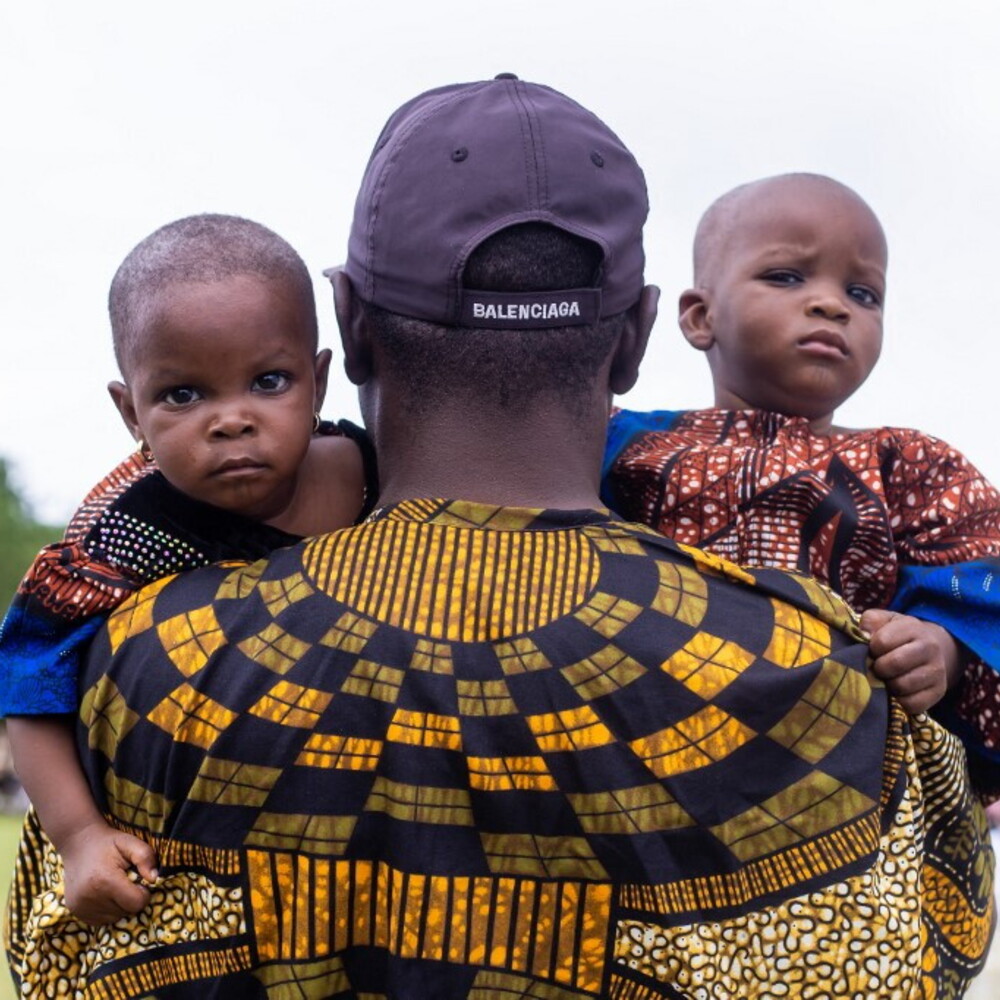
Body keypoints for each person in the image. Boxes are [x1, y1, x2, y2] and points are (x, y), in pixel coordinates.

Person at [6, 77, 994, 999]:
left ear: (345, 331)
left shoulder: (139, 657)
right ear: (637, 336)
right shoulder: (825, 678)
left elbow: (63, 954)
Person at [0, 214, 376, 924]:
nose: (231, 420)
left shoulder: (380, 477)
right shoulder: (122, 535)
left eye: (269, 381)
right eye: (182, 395)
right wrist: (79, 838)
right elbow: (26, 677)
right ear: (130, 412)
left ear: (319, 381)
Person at [602, 173, 1000, 795]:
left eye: (863, 293)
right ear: (700, 317)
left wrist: (944, 651)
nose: (832, 304)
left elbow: (974, 582)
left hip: (847, 799)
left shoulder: (913, 466)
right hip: (644, 775)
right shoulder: (622, 443)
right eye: (787, 277)